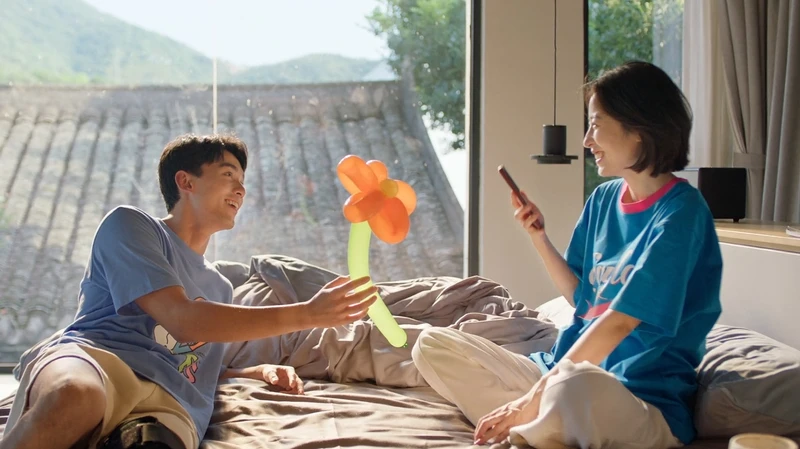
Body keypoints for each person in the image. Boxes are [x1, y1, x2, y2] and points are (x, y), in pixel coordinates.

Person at [412, 61, 723, 449]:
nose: (586, 140)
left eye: (595, 124)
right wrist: (538, 237)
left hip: (637, 398)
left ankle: (530, 424)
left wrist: (529, 400)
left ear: (638, 128)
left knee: (576, 384)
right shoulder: (603, 200)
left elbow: (619, 323)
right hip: (560, 376)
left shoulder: (681, 213)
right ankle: (540, 423)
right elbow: (581, 298)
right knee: (432, 344)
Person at [1, 134, 378, 449]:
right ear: (186, 181)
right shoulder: (130, 226)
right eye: (228, 174)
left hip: (172, 397)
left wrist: (254, 371)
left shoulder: (220, 287)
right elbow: (182, 320)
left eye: (242, 180)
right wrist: (308, 313)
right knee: (76, 395)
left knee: (152, 442)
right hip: (101, 360)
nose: (241, 189)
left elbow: (194, 363)